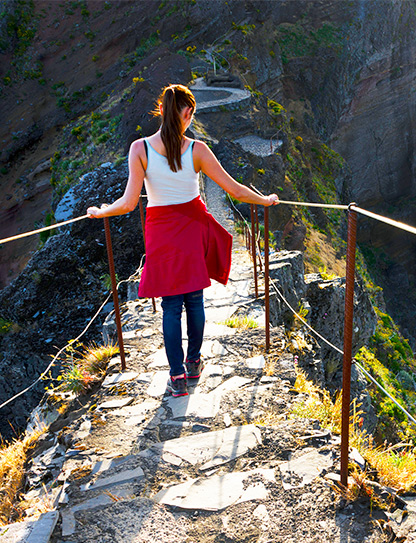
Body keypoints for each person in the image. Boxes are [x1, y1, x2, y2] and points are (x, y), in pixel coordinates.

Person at [87, 84, 278, 397]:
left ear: (161, 110)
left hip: (160, 231)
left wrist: (100, 211)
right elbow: (235, 190)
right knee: (194, 300)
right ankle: (193, 362)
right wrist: (266, 200)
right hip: (191, 229)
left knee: (170, 306)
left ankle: (176, 377)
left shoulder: (140, 149)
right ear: (187, 113)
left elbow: (128, 203)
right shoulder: (197, 150)